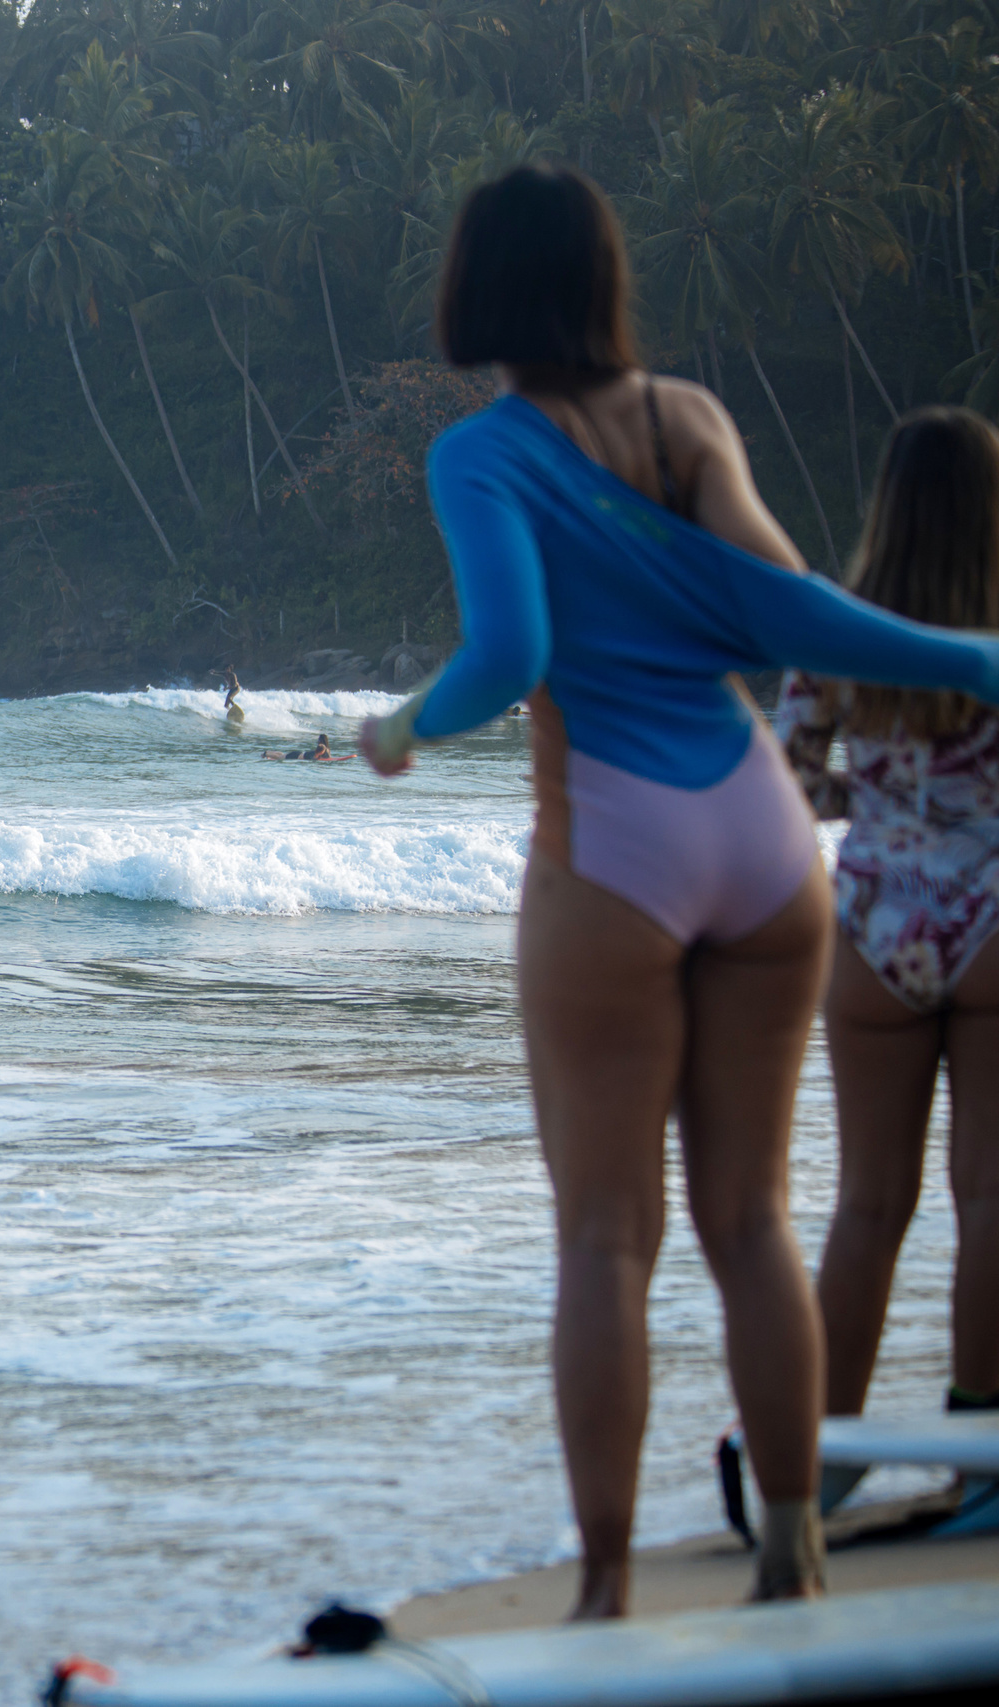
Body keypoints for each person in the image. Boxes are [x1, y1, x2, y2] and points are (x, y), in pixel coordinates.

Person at [356, 164, 999, 1618]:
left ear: (477, 289)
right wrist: (967, 657)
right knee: (754, 1220)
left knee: (606, 1234)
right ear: (604, 280)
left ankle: (604, 1586)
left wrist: (404, 727)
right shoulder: (690, 419)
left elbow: (511, 654)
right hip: (764, 843)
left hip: (617, 849)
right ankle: (793, 1547)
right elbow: (785, 614)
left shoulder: (482, 455)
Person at [772, 410, 999, 1447]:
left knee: (868, 1204)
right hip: (992, 919)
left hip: (871, 928)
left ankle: (821, 1455)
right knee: (986, 1197)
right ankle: (979, 1449)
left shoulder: (835, 626)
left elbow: (792, 787)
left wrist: (879, 800)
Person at [261, 734, 347, 762]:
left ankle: (269, 752)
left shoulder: (325, 749)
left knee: (282, 755)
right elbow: (322, 749)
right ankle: (266, 753)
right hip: (297, 756)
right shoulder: (325, 748)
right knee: (279, 757)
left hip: (299, 754)